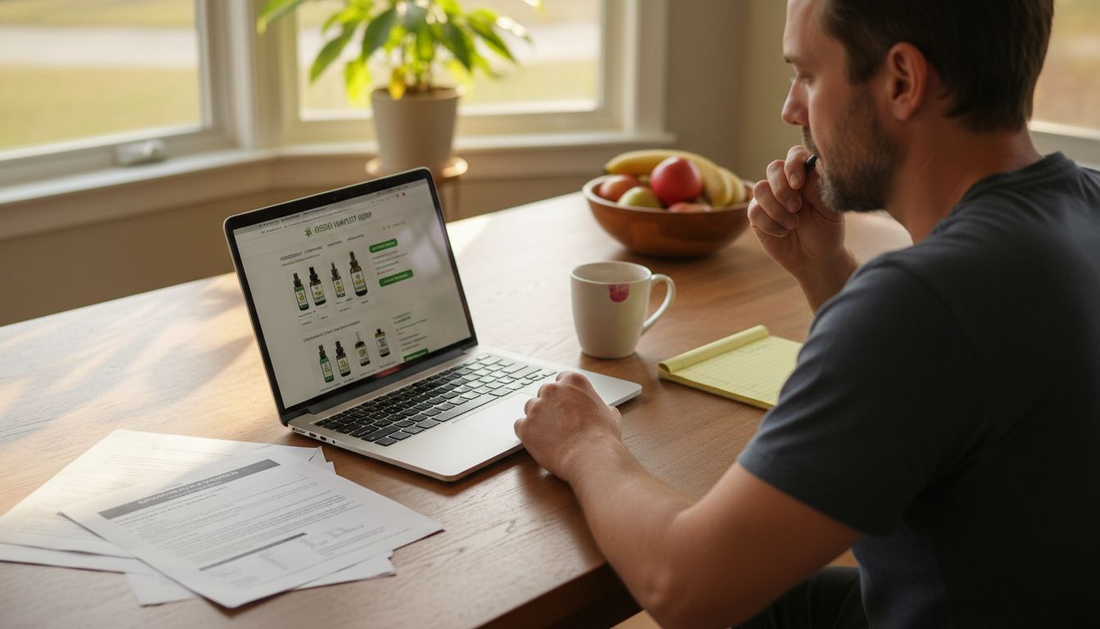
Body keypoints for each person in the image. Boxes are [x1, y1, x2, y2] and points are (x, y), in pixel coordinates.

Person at [514, 0, 1100, 626]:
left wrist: (587, 444)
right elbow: (941, 390)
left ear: (902, 81)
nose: (791, 109)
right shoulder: (1085, 202)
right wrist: (825, 269)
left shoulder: (923, 303)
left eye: (807, 75)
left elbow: (685, 586)